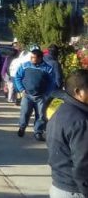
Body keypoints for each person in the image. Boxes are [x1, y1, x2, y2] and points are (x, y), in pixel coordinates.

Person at [46, 69, 88, 197]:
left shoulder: (60, 110)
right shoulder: (81, 121)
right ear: (78, 92)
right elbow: (83, 164)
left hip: (59, 186)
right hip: (75, 190)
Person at [14, 48, 55, 140]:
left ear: (40, 58)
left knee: (40, 115)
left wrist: (47, 94)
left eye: (34, 57)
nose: (31, 59)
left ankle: (38, 132)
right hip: (27, 95)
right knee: (24, 113)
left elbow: (52, 83)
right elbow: (17, 78)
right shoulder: (24, 66)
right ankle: (22, 127)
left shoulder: (48, 69)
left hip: (41, 97)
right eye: (31, 57)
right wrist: (21, 89)